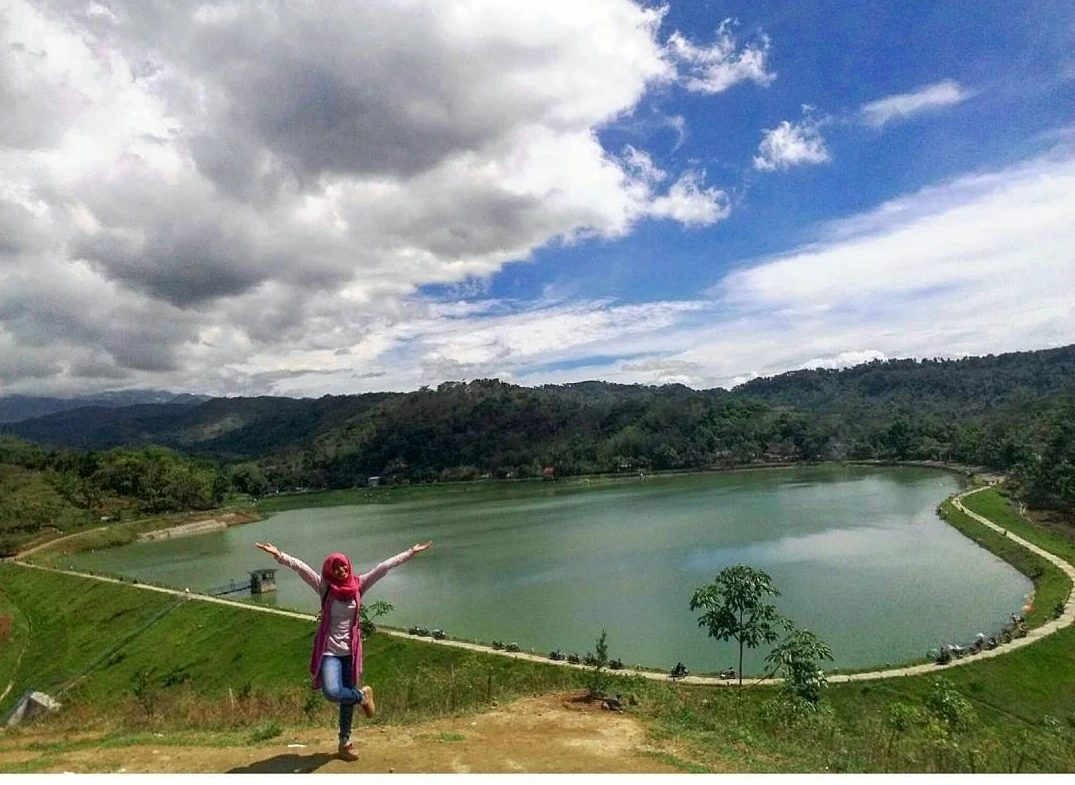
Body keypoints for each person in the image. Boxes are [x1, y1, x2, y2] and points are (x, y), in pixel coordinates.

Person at [255, 539, 433, 761]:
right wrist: (278, 555)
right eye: (336, 567)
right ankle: (362, 696)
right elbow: (301, 568)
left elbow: (383, 568)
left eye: (344, 566)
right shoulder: (324, 587)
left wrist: (410, 553)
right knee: (332, 692)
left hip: (351, 651)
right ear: (330, 570)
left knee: (344, 701)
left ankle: (345, 742)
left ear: (349, 565)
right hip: (330, 651)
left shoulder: (359, 585)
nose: (341, 570)